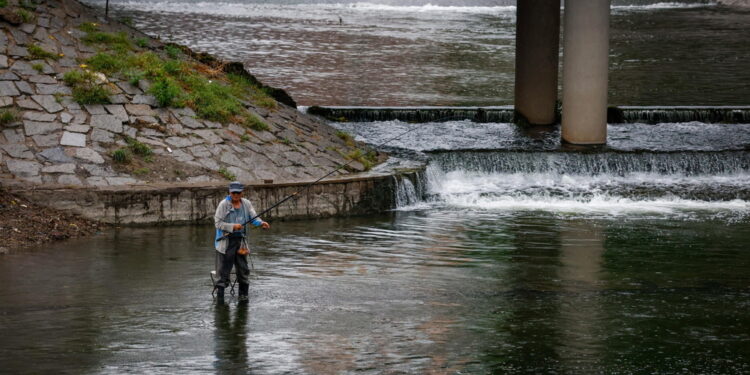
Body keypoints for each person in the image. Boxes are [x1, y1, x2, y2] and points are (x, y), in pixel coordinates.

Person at [213, 181, 270, 302]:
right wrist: (233, 226)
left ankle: (243, 297)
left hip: (241, 242)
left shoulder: (247, 203)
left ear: (242, 193)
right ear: (230, 192)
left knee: (243, 270)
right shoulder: (223, 205)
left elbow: (253, 218)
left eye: (238, 193)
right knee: (223, 272)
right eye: (234, 192)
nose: (236, 195)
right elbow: (218, 224)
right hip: (225, 242)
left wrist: (261, 223)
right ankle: (220, 300)